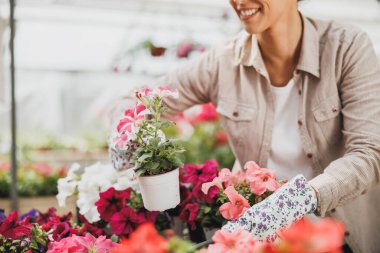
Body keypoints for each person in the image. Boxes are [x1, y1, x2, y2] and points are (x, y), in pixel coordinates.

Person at [111, 0, 380, 252]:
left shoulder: (345, 47)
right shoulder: (222, 63)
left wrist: (298, 200)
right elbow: (135, 101)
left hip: (339, 238)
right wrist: (127, 135)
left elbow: (368, 152)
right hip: (263, 241)